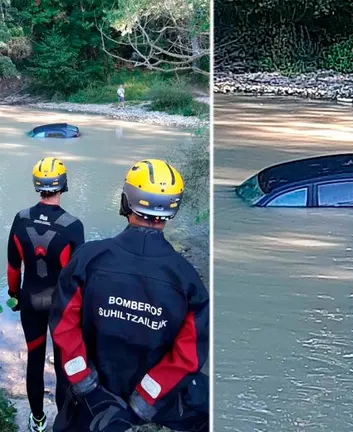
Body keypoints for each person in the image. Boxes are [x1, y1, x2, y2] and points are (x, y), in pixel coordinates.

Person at [49, 159, 209, 432]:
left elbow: (64, 329)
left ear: (126, 201)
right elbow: (188, 356)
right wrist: (141, 403)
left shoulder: (88, 259)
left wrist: (90, 390)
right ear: (173, 209)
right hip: (151, 410)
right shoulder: (188, 280)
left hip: (85, 408)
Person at [6, 157, 85, 432]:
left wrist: (13, 295)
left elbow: (13, 268)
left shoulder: (20, 219)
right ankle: (61, 424)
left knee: (35, 359)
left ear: (37, 186)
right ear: (63, 184)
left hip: (30, 301)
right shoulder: (73, 226)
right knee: (64, 367)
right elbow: (77, 278)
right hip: (60, 307)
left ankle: (37, 420)